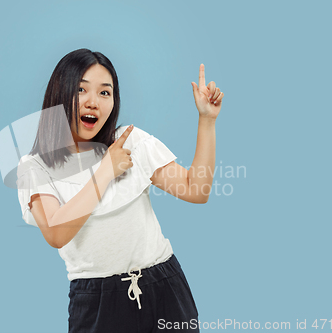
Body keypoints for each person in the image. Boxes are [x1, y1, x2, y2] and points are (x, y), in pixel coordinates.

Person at [16, 48, 224, 333]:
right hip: (98, 302)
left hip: (164, 286)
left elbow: (196, 190)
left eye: (105, 93)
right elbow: (56, 233)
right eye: (81, 89)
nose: (94, 103)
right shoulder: (35, 167)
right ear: (60, 93)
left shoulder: (130, 141)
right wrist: (105, 171)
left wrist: (207, 121)